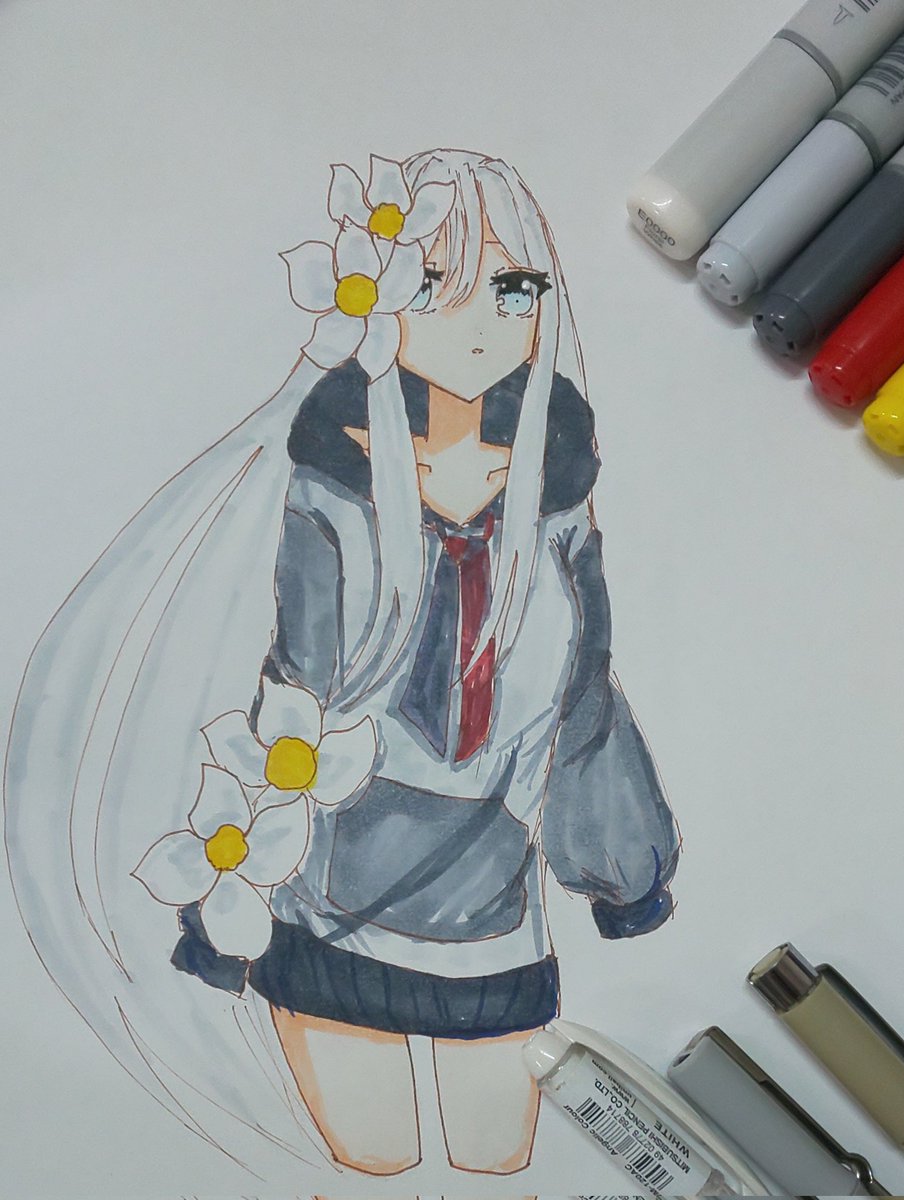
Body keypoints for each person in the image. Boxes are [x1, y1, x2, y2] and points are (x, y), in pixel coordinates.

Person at [5, 149, 680, 1182]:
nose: (484, 323)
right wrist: (224, 907)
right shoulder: (328, 481)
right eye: (438, 285)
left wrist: (626, 874)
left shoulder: (556, 505)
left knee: (499, 1167)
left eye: (514, 289)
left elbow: (584, 701)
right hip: (331, 909)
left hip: (496, 918)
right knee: (370, 1171)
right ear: (378, 293)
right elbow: (293, 695)